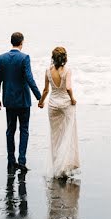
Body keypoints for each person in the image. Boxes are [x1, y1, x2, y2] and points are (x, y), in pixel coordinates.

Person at [0, 32, 42, 174]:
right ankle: (21, 161)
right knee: (24, 130)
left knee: (10, 130)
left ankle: (10, 161)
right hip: (23, 100)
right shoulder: (24, 58)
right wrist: (39, 97)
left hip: (9, 100)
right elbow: (29, 79)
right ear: (21, 43)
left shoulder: (1, 58)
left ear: (11, 42)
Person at [38, 46, 80, 178]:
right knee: (67, 135)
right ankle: (64, 166)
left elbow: (46, 90)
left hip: (53, 105)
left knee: (55, 136)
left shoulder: (48, 71)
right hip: (65, 105)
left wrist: (41, 101)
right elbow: (68, 87)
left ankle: (57, 165)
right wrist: (73, 99)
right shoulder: (67, 71)